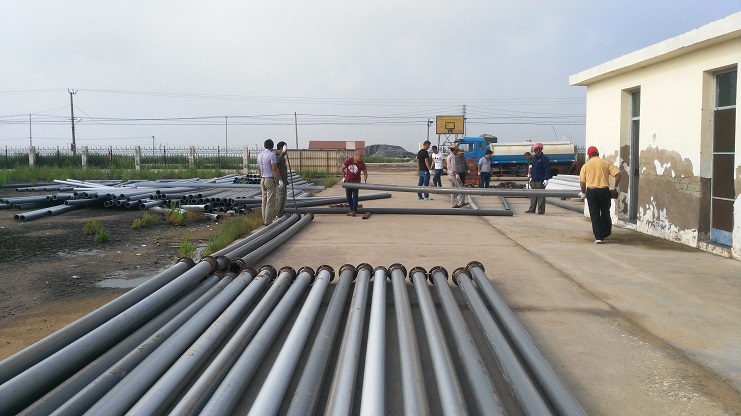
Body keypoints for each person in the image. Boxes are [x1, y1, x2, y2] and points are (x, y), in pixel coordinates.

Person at [579, 146, 621, 244]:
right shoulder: (606, 163)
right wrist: (616, 186)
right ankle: (606, 232)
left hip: (591, 191)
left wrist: (583, 192)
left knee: (594, 214)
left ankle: (598, 237)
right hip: (604, 191)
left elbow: (582, 182)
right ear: (598, 154)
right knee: (605, 211)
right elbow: (618, 174)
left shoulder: (586, 166)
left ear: (589, 155)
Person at [257, 139, 283, 226]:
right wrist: (280, 180)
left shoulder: (259, 155)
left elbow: (259, 168)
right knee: (270, 201)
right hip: (270, 179)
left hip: (262, 179)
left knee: (264, 200)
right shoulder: (271, 155)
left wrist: (261, 177)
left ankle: (264, 219)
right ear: (272, 146)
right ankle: (268, 221)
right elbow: (274, 168)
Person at [340, 150, 368, 217]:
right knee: (349, 196)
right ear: (355, 156)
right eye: (360, 156)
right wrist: (344, 177)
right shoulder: (349, 161)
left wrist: (364, 181)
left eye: (362, 156)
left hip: (356, 182)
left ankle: (354, 211)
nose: (361, 158)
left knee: (355, 196)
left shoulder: (361, 163)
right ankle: (352, 209)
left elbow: (365, 173)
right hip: (348, 181)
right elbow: (342, 169)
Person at [526, 142, 550, 214]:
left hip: (540, 180)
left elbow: (547, 169)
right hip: (534, 179)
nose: (535, 151)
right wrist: (530, 175)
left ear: (540, 149)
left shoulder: (544, 159)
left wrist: (546, 179)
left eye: (536, 149)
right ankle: (532, 209)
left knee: (541, 196)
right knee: (533, 196)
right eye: (534, 150)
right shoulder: (534, 158)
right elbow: (532, 168)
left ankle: (541, 211)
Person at [275, 141, 289, 217]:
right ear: (281, 148)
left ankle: (282, 211)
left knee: (284, 196)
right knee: (281, 196)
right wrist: (283, 152)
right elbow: (277, 162)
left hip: (283, 179)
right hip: (279, 179)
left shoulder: (281, 156)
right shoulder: (276, 156)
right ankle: (279, 213)